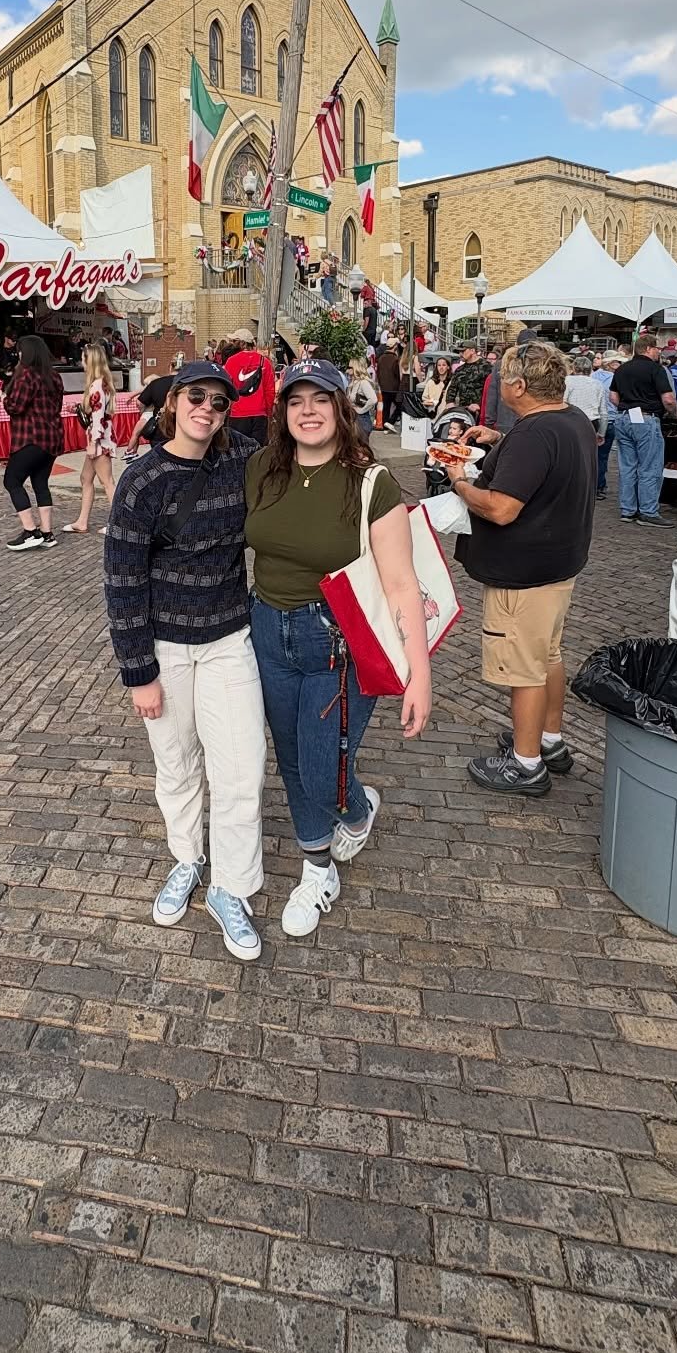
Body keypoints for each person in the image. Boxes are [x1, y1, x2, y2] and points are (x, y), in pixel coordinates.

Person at [246, 358, 431, 938]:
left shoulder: (372, 482)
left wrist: (418, 674)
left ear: (341, 408)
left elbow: (402, 584)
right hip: (266, 628)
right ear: (282, 412)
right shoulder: (260, 470)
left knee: (325, 772)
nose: (308, 411)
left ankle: (356, 808)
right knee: (293, 760)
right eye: (295, 400)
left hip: (336, 641)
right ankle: (317, 867)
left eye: (320, 399)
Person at [103, 361, 266, 962]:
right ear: (173, 401)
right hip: (166, 646)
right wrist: (137, 670)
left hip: (228, 639)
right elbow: (122, 578)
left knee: (241, 768)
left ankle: (230, 885)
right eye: (196, 397)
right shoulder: (143, 480)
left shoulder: (241, 460)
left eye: (219, 402)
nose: (207, 409)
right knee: (176, 765)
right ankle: (188, 859)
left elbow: (305, 464)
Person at [451, 342, 597, 797]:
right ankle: (548, 741)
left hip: (524, 572)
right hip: (557, 565)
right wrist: (498, 441)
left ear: (517, 386)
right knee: (547, 655)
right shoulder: (570, 419)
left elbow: (500, 508)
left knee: (524, 669)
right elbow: (544, 462)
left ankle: (526, 763)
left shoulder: (535, 434)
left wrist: (459, 483)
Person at [4, 336, 64, 549]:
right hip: (52, 439)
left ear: (26, 353)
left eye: (19, 351)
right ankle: (47, 534)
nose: (18, 355)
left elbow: (15, 407)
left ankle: (30, 531)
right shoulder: (54, 376)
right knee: (40, 483)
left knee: (12, 481)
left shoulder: (27, 376)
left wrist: (3, 397)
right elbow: (56, 406)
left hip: (30, 438)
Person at [609, 335, 676, 523]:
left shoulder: (621, 369)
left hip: (623, 417)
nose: (659, 352)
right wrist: (673, 414)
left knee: (627, 466)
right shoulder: (656, 369)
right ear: (648, 349)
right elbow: (668, 399)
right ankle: (648, 511)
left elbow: (613, 397)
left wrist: (626, 405)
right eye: (657, 349)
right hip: (646, 418)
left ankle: (627, 509)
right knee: (650, 466)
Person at [65, 343, 117, 534]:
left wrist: (93, 443)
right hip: (99, 439)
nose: (81, 361)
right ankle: (82, 521)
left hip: (98, 441)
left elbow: (98, 418)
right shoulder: (101, 384)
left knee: (107, 482)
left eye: (83, 358)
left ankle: (117, 523)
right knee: (86, 478)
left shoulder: (96, 386)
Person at [221, 329, 275, 444]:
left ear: (242, 343)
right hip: (260, 414)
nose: (231, 343)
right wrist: (269, 414)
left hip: (237, 413)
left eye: (234, 341)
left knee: (237, 449)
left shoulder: (231, 361)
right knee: (258, 451)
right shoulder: (264, 362)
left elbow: (227, 388)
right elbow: (269, 391)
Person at [592, 354, 618, 496]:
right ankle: (599, 486)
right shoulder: (615, 379)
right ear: (611, 364)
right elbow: (615, 399)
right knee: (602, 456)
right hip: (609, 419)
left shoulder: (592, 377)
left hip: (593, 419)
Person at [447, 341, 489, 416]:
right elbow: (452, 388)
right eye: (459, 352)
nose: (460, 354)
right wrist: (450, 402)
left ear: (472, 351)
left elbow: (491, 390)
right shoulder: (459, 370)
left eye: (463, 351)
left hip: (481, 411)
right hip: (464, 411)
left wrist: (479, 404)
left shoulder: (486, 367)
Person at [374, 338, 403, 431]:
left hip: (383, 387)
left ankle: (384, 424)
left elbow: (378, 372)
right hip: (394, 387)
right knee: (400, 406)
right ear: (394, 347)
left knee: (386, 407)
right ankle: (390, 422)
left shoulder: (381, 358)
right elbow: (397, 374)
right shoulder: (395, 359)